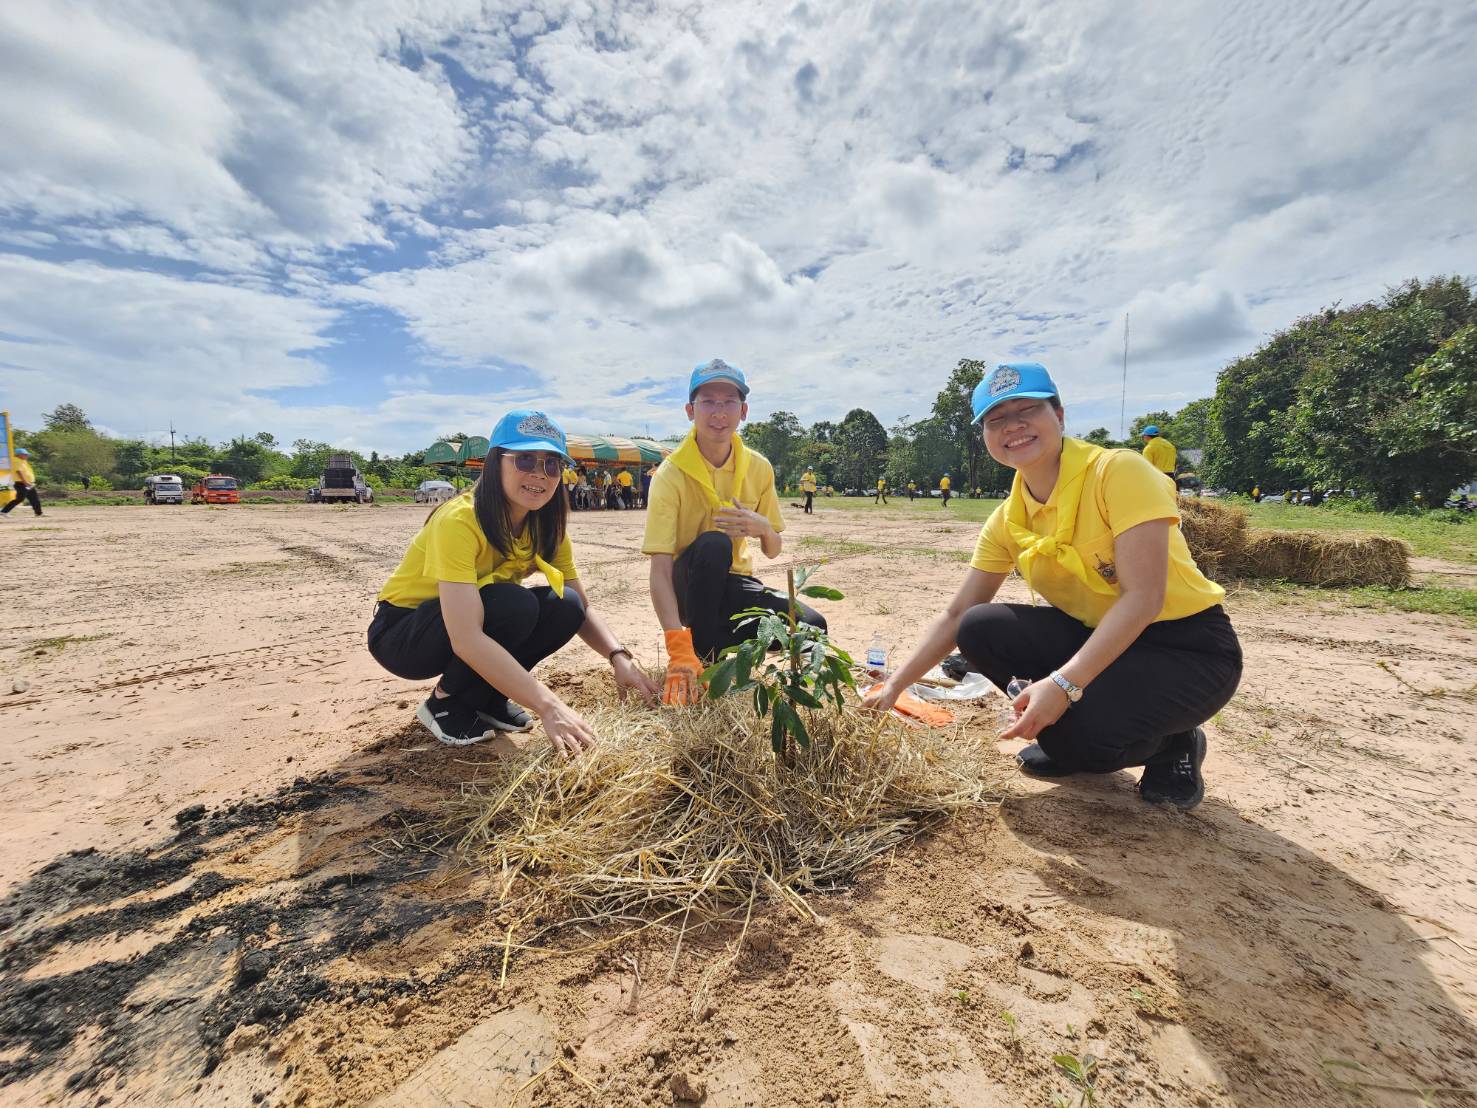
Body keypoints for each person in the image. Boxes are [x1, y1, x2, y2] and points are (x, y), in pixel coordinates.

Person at [866, 363, 1241, 810]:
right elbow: (955, 613)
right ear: (985, 435)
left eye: (1028, 410)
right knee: (979, 626)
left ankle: (1173, 743)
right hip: (1096, 634)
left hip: (1185, 648)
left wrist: (1062, 685)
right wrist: (895, 687)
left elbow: (1144, 598)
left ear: (1059, 416)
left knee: (1075, 737)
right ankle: (1075, 729)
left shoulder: (1118, 472)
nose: (1014, 426)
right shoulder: (1008, 518)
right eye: (996, 419)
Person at [368, 410, 659, 749]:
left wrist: (618, 657)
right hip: (403, 635)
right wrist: (549, 706)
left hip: (465, 620)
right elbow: (466, 638)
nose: (540, 474)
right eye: (525, 460)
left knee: (566, 604)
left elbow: (583, 608)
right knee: (512, 604)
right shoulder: (460, 520)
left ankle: (487, 697)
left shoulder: (546, 528)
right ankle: (444, 703)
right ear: (495, 462)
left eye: (552, 464)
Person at [643, 358, 826, 704]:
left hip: (733, 584)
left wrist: (763, 529)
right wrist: (677, 645)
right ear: (689, 410)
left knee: (812, 628)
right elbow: (660, 570)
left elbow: (773, 550)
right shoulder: (669, 475)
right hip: (688, 585)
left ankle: (720, 653)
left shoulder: (759, 467)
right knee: (714, 545)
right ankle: (701, 659)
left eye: (728, 401)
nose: (718, 412)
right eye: (708, 401)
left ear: (743, 411)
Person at [1, 448, 42, 518]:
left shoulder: (23, 461)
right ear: (19, 455)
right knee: (20, 499)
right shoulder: (16, 461)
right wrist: (25, 482)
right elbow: (19, 472)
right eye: (25, 454)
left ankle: (38, 513)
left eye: (27, 454)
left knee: (34, 498)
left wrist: (29, 482)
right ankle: (4, 511)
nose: (27, 456)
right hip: (22, 484)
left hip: (28, 484)